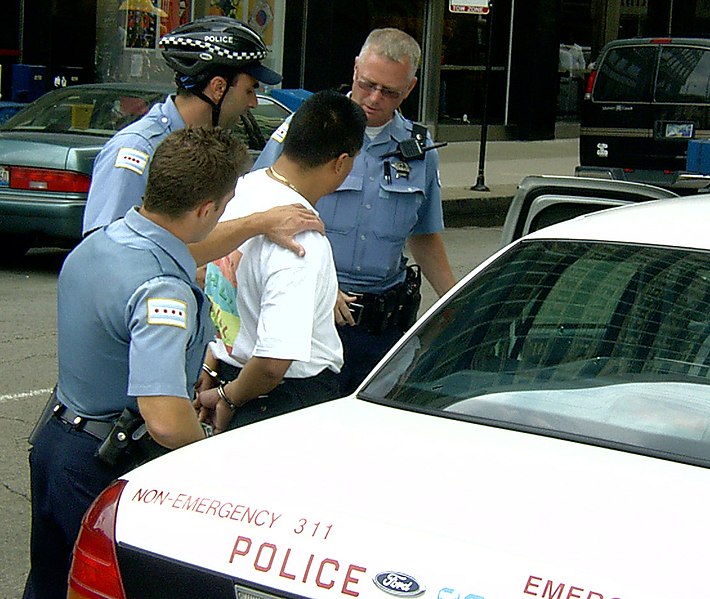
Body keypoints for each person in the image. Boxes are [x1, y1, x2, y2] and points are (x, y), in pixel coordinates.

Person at [23, 127, 249, 599]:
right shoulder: (162, 289)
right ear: (206, 209)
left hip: (58, 441)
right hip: (106, 461)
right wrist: (210, 454)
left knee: (53, 581)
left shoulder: (103, 241)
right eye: (226, 204)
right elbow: (165, 420)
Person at [253, 28, 457, 394]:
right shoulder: (309, 130)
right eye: (368, 84)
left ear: (409, 89)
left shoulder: (419, 149)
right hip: (314, 317)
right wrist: (323, 285)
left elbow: (425, 236)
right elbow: (258, 208)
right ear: (354, 71)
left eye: (389, 91)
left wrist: (456, 304)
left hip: (382, 327)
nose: (374, 98)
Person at [83, 16, 322, 266]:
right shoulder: (137, 149)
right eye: (249, 90)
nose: (253, 103)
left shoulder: (206, 148)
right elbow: (109, 257)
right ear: (218, 88)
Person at [196, 90, 367, 431]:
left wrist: (216, 364)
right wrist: (229, 399)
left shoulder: (240, 191)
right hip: (280, 399)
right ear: (341, 162)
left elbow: (215, 284)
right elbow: (274, 363)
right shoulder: (300, 237)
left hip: (233, 373)